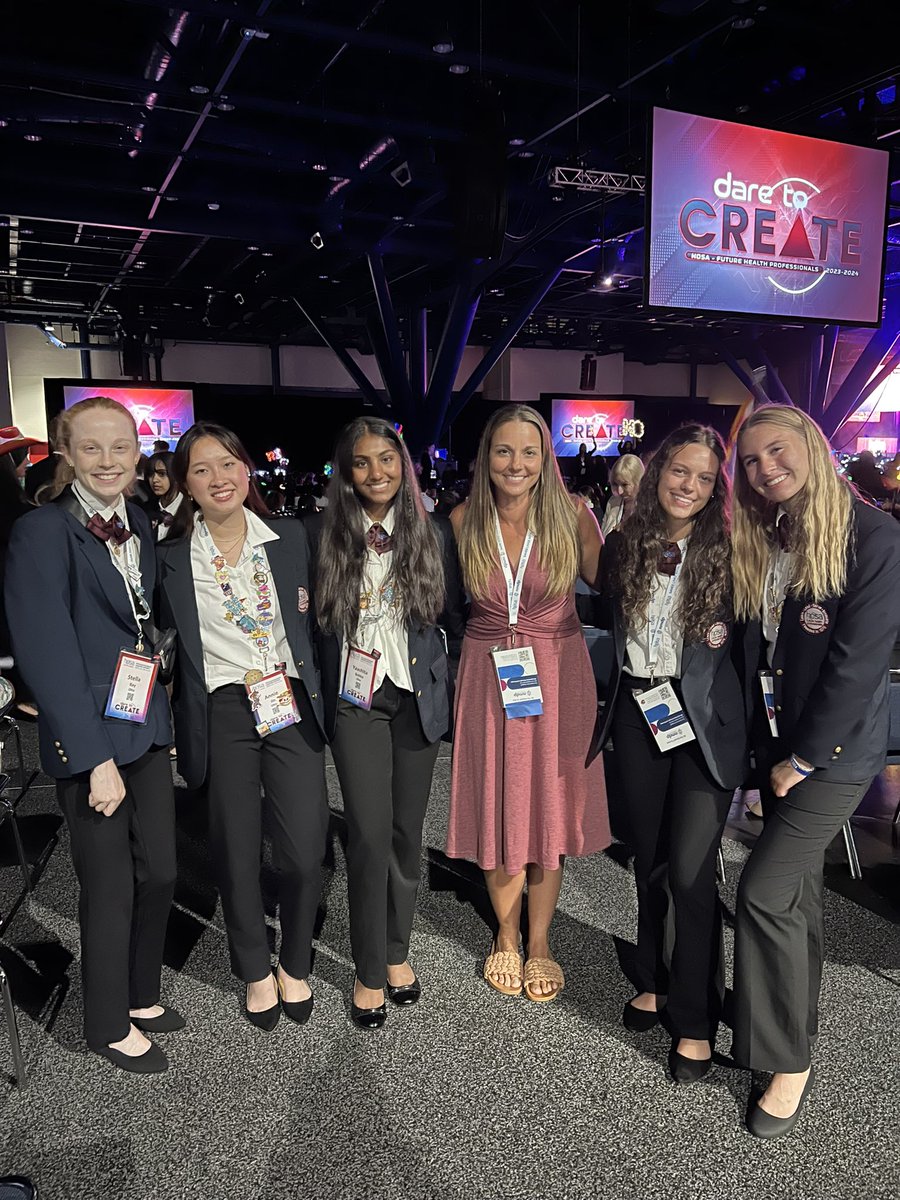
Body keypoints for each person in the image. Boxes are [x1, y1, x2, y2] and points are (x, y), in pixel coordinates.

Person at [731, 404, 900, 1138]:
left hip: (827, 757)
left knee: (763, 891)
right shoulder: (775, 532)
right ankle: (793, 1028)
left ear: (812, 443)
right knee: (793, 898)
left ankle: (789, 1060)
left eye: (777, 450)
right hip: (780, 745)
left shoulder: (873, 535)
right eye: (752, 462)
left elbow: (859, 663)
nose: (766, 468)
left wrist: (802, 760)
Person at [5, 396, 180, 1073]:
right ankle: (106, 1023)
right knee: (108, 885)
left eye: (121, 447)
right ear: (68, 454)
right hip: (93, 741)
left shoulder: (136, 522)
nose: (108, 460)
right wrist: (93, 757)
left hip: (146, 726)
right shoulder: (43, 533)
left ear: (138, 454)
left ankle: (139, 993)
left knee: (161, 869)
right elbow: (47, 653)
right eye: (92, 448)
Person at [157, 422, 328, 1031]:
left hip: (286, 698)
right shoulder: (171, 556)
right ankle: (255, 967)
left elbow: (323, 621)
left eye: (227, 464)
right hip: (221, 707)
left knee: (306, 849)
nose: (217, 478)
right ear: (186, 486)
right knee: (233, 846)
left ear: (246, 470)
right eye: (201, 470)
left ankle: (296, 959)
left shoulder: (290, 538)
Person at [594, 424, 747, 1083]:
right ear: (657, 473)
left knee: (690, 870)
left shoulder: (734, 550)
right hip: (637, 710)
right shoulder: (626, 543)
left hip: (704, 723)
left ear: (717, 490)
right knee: (649, 862)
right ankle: (655, 976)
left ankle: (695, 1018)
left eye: (704, 477)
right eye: (679, 471)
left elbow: (749, 651)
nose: (688, 484)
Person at [446, 403, 609, 1002]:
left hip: (560, 676)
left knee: (548, 805)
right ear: (486, 457)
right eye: (504, 451)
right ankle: (506, 936)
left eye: (529, 451)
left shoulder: (572, 515)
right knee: (499, 802)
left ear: (547, 459)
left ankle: (540, 942)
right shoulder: (462, 520)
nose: (516, 464)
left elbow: (615, 583)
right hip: (491, 679)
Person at [308, 417, 465, 1029]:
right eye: (363, 463)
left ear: (405, 465)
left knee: (406, 833)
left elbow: (451, 615)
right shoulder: (320, 533)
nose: (377, 473)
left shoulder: (434, 535)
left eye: (388, 460)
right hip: (357, 702)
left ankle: (398, 949)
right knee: (369, 835)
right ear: (346, 472)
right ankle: (368, 966)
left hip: (414, 698)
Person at [142, 449, 183, 540]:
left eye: (161, 474)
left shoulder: (194, 511)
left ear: (176, 474)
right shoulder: (143, 511)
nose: (154, 480)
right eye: (150, 474)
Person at [601, 453, 645, 535]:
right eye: (615, 484)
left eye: (625, 485)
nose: (619, 491)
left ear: (638, 481)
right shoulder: (613, 502)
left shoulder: (650, 507)